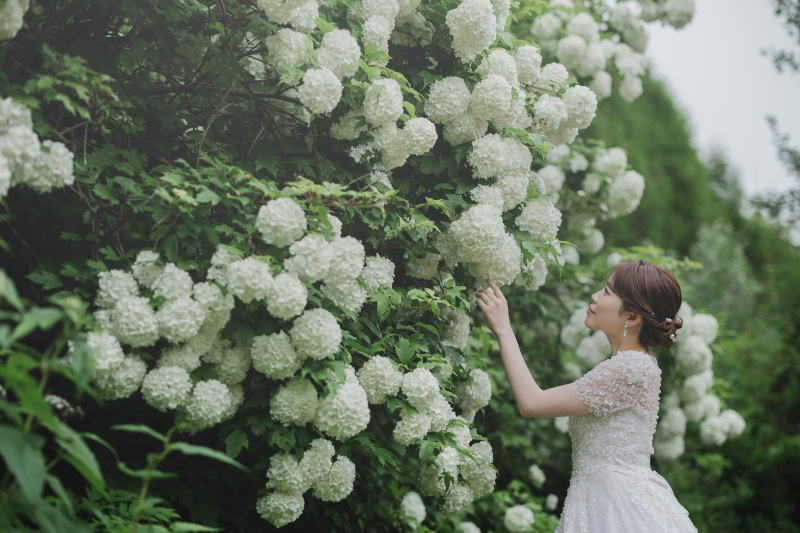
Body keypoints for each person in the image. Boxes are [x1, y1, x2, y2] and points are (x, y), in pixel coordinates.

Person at [476, 260, 697, 532]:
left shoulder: (631, 368)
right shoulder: (633, 364)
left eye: (606, 292)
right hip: (600, 499)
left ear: (631, 317)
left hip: (616, 507)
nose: (594, 296)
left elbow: (532, 403)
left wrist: (503, 329)